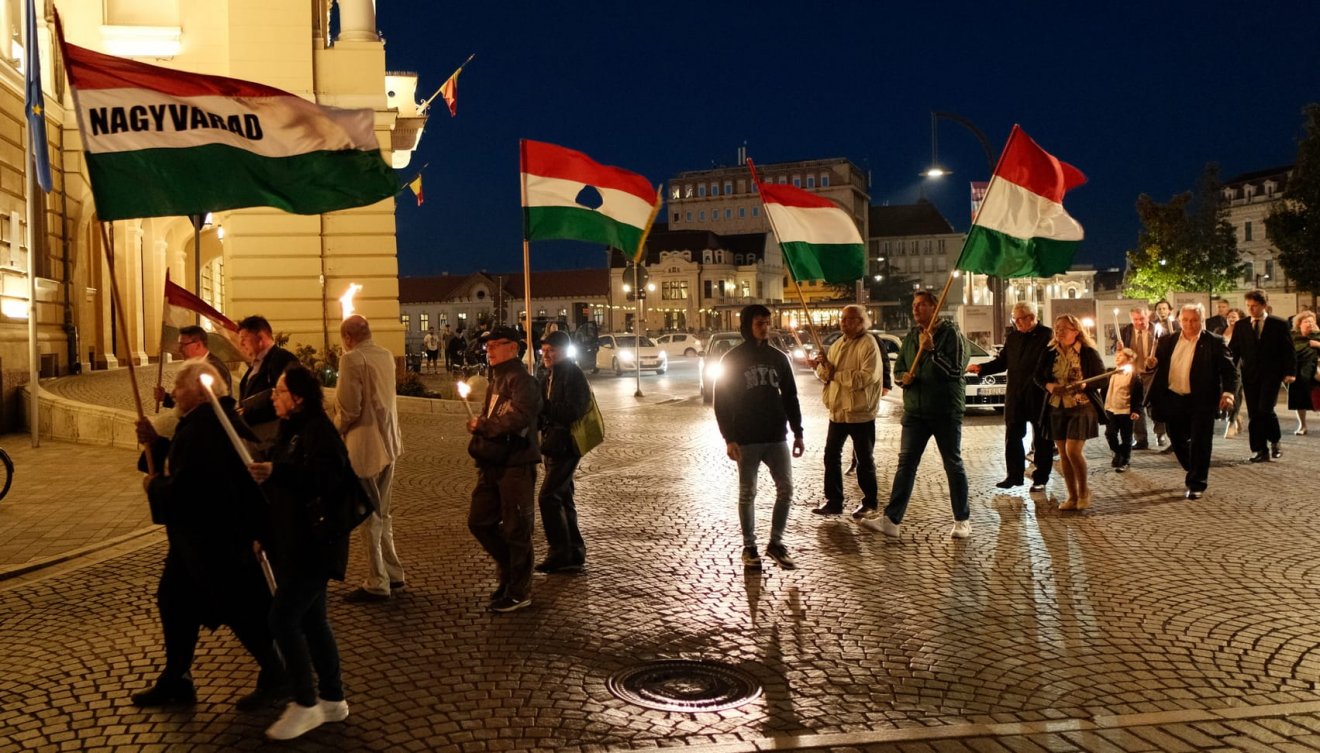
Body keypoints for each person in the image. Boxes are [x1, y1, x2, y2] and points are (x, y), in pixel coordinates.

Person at [131, 361, 288, 710]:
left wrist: (153, 486)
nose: (173, 392)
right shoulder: (206, 422)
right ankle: (177, 678)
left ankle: (278, 673)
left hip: (215, 543)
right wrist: (156, 444)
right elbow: (187, 464)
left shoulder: (207, 428)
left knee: (240, 609)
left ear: (201, 394)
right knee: (175, 601)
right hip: (197, 545)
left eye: (179, 386)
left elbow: (190, 491)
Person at [247, 366, 351, 740]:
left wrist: (276, 471)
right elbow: (280, 491)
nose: (273, 397)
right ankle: (333, 698)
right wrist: (264, 533)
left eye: (280, 391)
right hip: (295, 543)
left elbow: (324, 480)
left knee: (282, 619)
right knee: (312, 621)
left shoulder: (319, 431)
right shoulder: (290, 429)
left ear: (299, 398)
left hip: (315, 546)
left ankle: (305, 702)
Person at [860, 290, 971, 539]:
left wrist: (931, 350)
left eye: (921, 305)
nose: (916, 309)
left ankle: (962, 519)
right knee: (906, 464)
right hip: (915, 412)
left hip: (944, 410)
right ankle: (892, 520)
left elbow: (955, 372)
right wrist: (903, 379)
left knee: (952, 464)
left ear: (935, 307)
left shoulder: (951, 335)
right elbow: (899, 369)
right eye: (914, 305)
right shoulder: (911, 337)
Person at [714, 304, 805, 569]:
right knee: (747, 493)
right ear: (747, 325)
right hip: (747, 437)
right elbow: (722, 402)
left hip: (776, 435)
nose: (765, 328)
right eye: (759, 323)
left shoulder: (779, 358)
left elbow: (791, 397)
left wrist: (798, 432)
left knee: (786, 489)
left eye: (767, 323)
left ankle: (776, 542)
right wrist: (729, 438)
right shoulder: (732, 359)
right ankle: (749, 547)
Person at [466, 325, 542, 613]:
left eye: (496, 344)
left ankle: (519, 590)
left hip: (516, 464)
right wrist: (480, 425)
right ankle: (509, 569)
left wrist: (484, 426)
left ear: (513, 347)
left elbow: (520, 417)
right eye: (488, 345)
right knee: (479, 521)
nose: (490, 349)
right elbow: (492, 414)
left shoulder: (523, 381)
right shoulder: (496, 379)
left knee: (516, 528)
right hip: (492, 463)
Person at [335, 315, 405, 603]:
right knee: (383, 512)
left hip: (365, 447)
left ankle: (377, 581)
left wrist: (333, 430)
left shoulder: (351, 360)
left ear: (348, 338)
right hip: (390, 443)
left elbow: (349, 409)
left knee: (368, 514)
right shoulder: (386, 355)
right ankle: (394, 572)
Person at [1146, 304, 1238, 499]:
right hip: (1174, 397)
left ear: (1201, 320)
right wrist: (1151, 364)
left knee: (1200, 441)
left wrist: (1228, 393)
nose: (1189, 324)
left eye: (1194, 320)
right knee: (1176, 438)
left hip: (1202, 400)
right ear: (1179, 321)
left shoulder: (1214, 342)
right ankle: (1195, 465)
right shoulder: (1168, 340)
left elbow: (1230, 371)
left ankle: (1197, 483)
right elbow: (1156, 364)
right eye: (1185, 320)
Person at [967, 301, 1053, 492]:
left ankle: (1041, 477)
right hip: (1016, 394)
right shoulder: (1013, 337)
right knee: (1013, 435)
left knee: (1042, 438)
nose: (1016, 323)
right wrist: (982, 368)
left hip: (1039, 394)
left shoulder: (1047, 335)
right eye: (1014, 319)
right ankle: (1014, 475)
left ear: (1032, 317)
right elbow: (1002, 362)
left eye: (1020, 319)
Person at [810, 304, 884, 519]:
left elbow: (867, 377)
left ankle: (870, 501)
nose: (844, 323)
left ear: (861, 322)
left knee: (864, 459)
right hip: (838, 410)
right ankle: (834, 501)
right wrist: (821, 367)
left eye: (850, 319)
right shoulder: (837, 344)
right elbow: (825, 375)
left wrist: (836, 374)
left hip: (860, 411)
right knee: (831, 455)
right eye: (842, 319)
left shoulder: (868, 344)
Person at [1036, 314, 1107, 510]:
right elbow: (1038, 376)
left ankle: (1084, 491)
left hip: (1081, 406)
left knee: (1073, 450)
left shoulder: (1088, 352)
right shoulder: (1049, 352)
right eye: (1057, 328)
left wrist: (1085, 385)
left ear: (1075, 331)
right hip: (1056, 407)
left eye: (1064, 328)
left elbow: (1102, 379)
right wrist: (1049, 386)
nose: (1059, 332)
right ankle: (1072, 496)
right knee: (1063, 453)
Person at [535, 330, 592, 573]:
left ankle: (559, 552)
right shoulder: (548, 375)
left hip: (567, 444)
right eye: (544, 351)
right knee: (563, 497)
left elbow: (573, 410)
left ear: (564, 352)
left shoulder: (572, 375)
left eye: (552, 351)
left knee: (548, 497)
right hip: (552, 443)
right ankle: (574, 551)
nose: (546, 355)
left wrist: (545, 407)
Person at [1230, 289, 1296, 462]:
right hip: (1250, 375)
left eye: (1255, 306)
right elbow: (1233, 351)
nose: (1251, 309)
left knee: (1265, 409)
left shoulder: (1278, 324)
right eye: (1248, 306)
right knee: (1254, 412)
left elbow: (1288, 350)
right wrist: (1227, 371)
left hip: (1271, 375)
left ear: (1264, 305)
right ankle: (1259, 449)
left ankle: (1275, 441)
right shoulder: (1241, 325)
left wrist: (1290, 372)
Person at [237, 315, 300, 446]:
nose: (241, 343)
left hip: (273, 439)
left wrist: (248, 410)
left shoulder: (282, 359)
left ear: (260, 337)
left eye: (244, 338)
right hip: (256, 439)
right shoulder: (254, 365)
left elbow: (287, 396)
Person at [1119, 306, 1165, 449]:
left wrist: (1156, 360)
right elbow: (1118, 350)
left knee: (1155, 405)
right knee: (1135, 406)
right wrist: (1118, 348)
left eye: (1142, 319)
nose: (1139, 322)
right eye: (1135, 319)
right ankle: (1140, 439)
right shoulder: (1126, 331)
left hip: (1152, 374)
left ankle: (1160, 433)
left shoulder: (1158, 331)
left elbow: (1166, 352)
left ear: (1148, 316)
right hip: (1133, 374)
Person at [155, 325, 232, 409]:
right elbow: (189, 401)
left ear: (198, 345)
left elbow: (215, 407)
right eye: (179, 345)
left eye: (183, 345)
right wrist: (165, 397)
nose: (179, 349)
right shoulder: (194, 366)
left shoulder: (215, 369)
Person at [1103, 348, 1144, 473]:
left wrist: (1136, 411)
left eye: (1121, 355)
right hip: (1110, 409)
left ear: (1129, 359)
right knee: (1110, 433)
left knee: (1126, 437)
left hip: (1125, 410)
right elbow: (1104, 390)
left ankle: (1125, 460)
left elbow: (1139, 396)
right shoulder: (1111, 373)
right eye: (1117, 355)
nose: (1117, 357)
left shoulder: (1134, 376)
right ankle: (1118, 452)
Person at [1288, 310, 1320, 435]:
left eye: (1312, 321)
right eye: (1306, 321)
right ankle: (1302, 425)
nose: (1310, 324)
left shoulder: (1318, 336)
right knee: (1299, 400)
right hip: (1297, 372)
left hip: (1316, 372)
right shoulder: (1292, 337)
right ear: (1299, 324)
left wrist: (1318, 345)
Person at [1221, 308, 1246, 438]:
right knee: (1222, 393)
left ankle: (1231, 422)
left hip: (1237, 366)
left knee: (1234, 393)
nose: (1231, 319)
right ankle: (1237, 417)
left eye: (1234, 317)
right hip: (1221, 367)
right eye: (1229, 317)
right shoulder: (1219, 331)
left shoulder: (1243, 332)